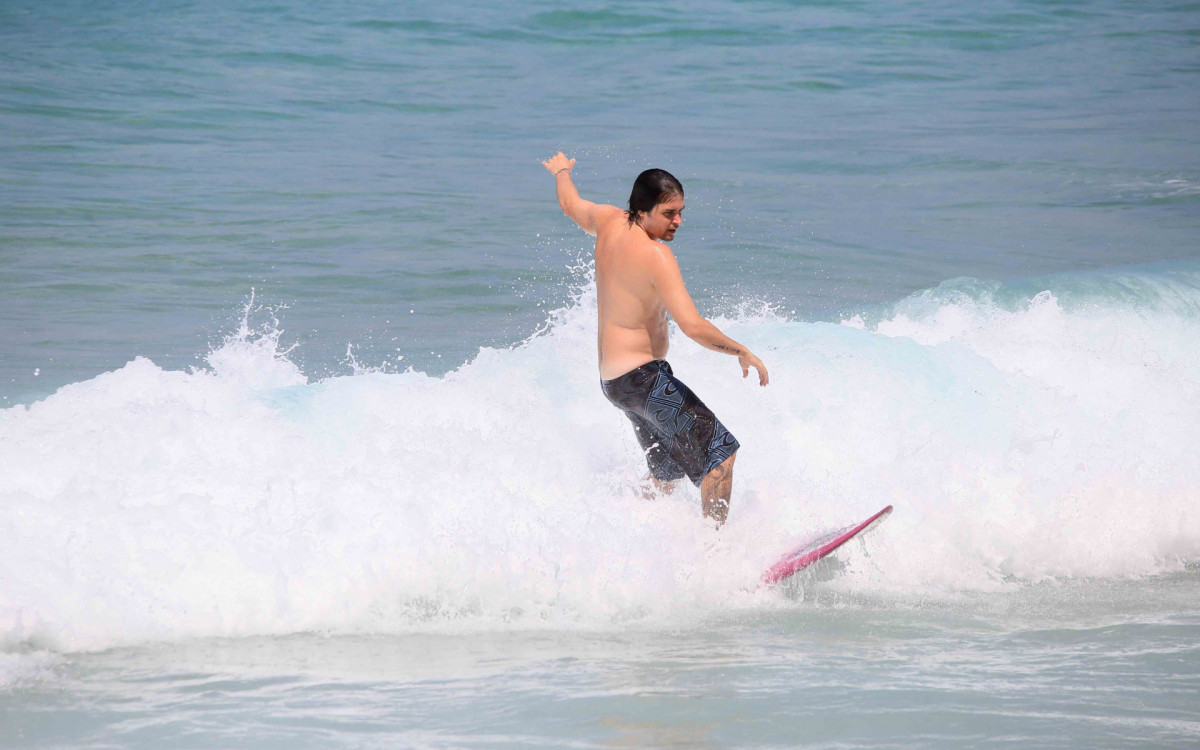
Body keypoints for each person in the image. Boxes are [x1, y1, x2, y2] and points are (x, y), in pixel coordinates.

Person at [542, 151, 769, 527]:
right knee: (720, 453)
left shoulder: (608, 221)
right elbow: (692, 326)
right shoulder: (656, 255)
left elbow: (570, 204)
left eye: (681, 212)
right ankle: (718, 551)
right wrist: (741, 351)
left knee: (667, 473)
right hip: (643, 380)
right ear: (642, 210)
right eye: (668, 213)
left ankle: (632, 532)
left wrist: (562, 170)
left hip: (615, 383)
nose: (678, 221)